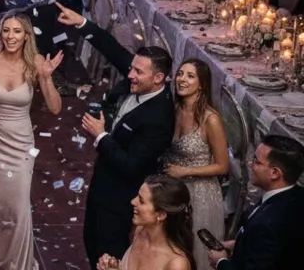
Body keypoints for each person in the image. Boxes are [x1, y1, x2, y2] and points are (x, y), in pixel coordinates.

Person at [55, 2, 175, 268]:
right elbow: (112, 48)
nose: (129, 74)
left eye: (138, 72)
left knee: (109, 254)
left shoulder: (160, 118)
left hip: (121, 199)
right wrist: (81, 22)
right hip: (102, 183)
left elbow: (132, 166)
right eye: (132, 68)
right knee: (91, 241)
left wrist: (101, 136)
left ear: (158, 78)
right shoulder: (138, 78)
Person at [0, 12, 64, 270]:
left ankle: (13, 263)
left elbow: (55, 108)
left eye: (17, 31)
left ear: (26, 36)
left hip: (20, 146)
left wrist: (46, 77)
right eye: (6, 30)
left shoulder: (36, 62)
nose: (10, 36)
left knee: (16, 206)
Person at [163, 59, 227, 270]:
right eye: (180, 74)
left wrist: (186, 171)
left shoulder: (211, 120)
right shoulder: (174, 109)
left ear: (202, 84)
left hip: (200, 195)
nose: (182, 79)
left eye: (190, 76)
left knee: (195, 255)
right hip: (173, 192)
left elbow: (222, 166)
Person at [206, 134, 304, 270]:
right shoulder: (297, 195)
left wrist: (221, 262)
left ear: (275, 173)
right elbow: (280, 246)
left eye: (257, 162)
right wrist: (240, 243)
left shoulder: (267, 223)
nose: (250, 164)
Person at [97, 175, 195, 270]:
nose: (133, 201)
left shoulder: (177, 264)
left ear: (161, 214)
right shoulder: (139, 230)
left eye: (141, 200)